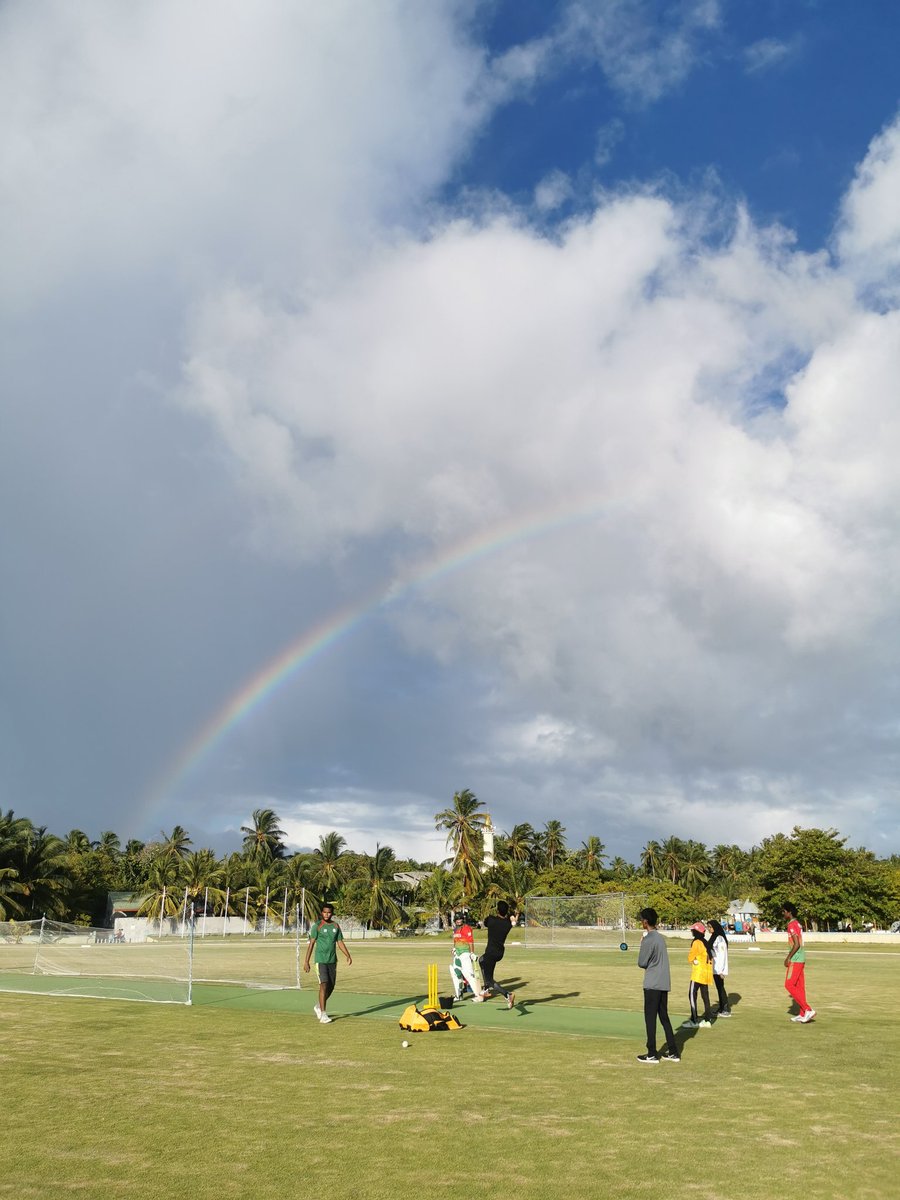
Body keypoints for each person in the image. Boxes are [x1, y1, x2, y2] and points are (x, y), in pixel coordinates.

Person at [636, 907, 680, 1063]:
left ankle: (652, 1053)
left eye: (641, 920)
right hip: (663, 982)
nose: (641, 922)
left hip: (652, 983)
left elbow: (642, 962)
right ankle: (673, 1051)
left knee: (650, 1018)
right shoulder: (661, 938)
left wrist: (642, 944)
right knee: (664, 1017)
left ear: (646, 921)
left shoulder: (648, 939)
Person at [303, 902, 352, 1024]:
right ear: (321, 913)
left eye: (329, 912)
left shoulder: (336, 926)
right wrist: (306, 961)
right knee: (323, 984)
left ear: (332, 913)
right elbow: (311, 944)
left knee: (331, 986)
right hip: (320, 961)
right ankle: (323, 1014)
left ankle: (318, 1006)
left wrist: (348, 955)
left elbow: (340, 942)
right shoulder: (317, 926)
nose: (326, 914)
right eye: (324, 912)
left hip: (332, 961)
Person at [479, 900, 516, 1008]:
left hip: (491, 952)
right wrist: (511, 916)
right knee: (481, 960)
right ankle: (486, 989)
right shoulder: (507, 924)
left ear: (497, 910)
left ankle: (507, 994)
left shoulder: (491, 920)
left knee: (490, 980)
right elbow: (510, 919)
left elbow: (485, 922)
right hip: (499, 952)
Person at [783, 903, 815, 1023]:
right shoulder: (797, 923)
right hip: (801, 958)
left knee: (789, 985)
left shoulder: (791, 925)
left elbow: (796, 944)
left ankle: (807, 1009)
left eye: (784, 911)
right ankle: (802, 1013)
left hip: (796, 959)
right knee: (799, 986)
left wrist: (788, 958)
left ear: (789, 912)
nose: (783, 914)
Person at [449, 912, 487, 1002]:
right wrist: (454, 948)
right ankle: (459, 995)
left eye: (460, 919)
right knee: (455, 973)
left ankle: (479, 996)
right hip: (457, 954)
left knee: (469, 975)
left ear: (463, 919)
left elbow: (470, 941)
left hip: (465, 954)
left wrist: (472, 953)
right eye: (457, 919)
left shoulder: (467, 928)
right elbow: (455, 940)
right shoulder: (455, 929)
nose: (458, 921)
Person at [682, 921, 714, 1028]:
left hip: (698, 973)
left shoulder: (696, 942)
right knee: (705, 996)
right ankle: (707, 1020)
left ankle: (694, 1020)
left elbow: (690, 957)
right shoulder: (706, 942)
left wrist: (694, 959)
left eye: (693, 930)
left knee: (692, 995)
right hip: (706, 973)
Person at [706, 919, 731, 1016]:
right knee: (718, 988)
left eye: (710, 927)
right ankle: (721, 1008)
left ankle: (725, 1009)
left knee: (721, 988)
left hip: (719, 968)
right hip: (714, 967)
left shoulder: (719, 938)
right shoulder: (714, 937)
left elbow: (722, 954)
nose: (709, 929)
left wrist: (721, 971)